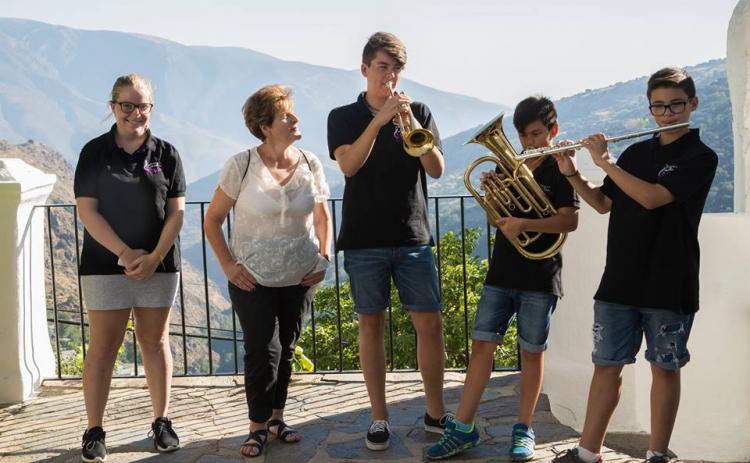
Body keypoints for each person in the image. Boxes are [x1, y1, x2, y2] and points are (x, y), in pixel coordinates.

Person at [550, 67, 717, 463]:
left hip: (668, 281)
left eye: (676, 105)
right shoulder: (635, 152)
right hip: (620, 280)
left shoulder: (700, 156)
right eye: (658, 107)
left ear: (692, 104)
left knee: (664, 368)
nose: (667, 114)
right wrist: (571, 172)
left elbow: (653, 198)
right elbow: (604, 203)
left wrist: (605, 162)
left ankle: (657, 454)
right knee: (606, 365)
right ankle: (588, 453)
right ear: (650, 109)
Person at [425, 96, 580, 460]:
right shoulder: (511, 167)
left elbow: (568, 221)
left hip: (541, 275)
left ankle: (524, 429)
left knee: (531, 353)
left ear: (553, 131)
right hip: (503, 271)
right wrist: (493, 194)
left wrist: (525, 223)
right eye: (523, 136)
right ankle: (462, 428)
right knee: (482, 347)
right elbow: (500, 222)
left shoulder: (561, 168)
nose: (529, 143)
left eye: (537, 134)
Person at [326, 31, 449, 451]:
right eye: (383, 67)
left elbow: (435, 169)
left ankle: (436, 411)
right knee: (371, 324)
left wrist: (410, 122)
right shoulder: (342, 116)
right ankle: (380, 417)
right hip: (363, 238)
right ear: (364, 70)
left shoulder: (420, 112)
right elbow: (348, 166)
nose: (390, 76)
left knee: (430, 324)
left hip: (412, 235)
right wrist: (379, 122)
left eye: (396, 69)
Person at [204, 84, 332, 458]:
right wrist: (228, 264)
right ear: (264, 126)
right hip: (252, 278)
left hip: (302, 275)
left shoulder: (310, 163)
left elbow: (322, 216)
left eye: (293, 113)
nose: (295, 120)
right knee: (262, 349)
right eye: (286, 116)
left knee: (287, 349)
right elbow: (213, 220)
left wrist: (324, 256)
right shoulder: (241, 165)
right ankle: (256, 427)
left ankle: (277, 419)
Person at [74, 73, 185, 462]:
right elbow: (87, 210)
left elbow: (176, 213)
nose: (135, 113)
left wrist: (153, 257)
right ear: (112, 107)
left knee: (155, 343)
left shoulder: (167, 153)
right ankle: (94, 430)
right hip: (106, 266)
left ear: (150, 108)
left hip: (160, 265)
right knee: (104, 348)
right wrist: (124, 253)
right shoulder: (94, 152)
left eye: (142, 106)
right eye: (127, 105)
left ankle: (161, 422)